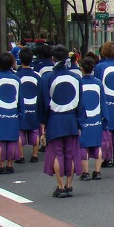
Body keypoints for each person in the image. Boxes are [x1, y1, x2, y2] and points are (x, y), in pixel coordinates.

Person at [39, 45, 85, 198]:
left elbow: (43, 103)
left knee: (57, 153)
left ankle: (60, 186)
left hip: (54, 119)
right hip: (71, 118)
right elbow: (80, 103)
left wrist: (43, 123)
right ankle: (69, 185)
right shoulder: (76, 78)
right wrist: (80, 122)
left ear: (53, 59)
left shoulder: (47, 78)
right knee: (71, 153)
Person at [78, 56, 107, 182]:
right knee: (97, 144)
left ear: (82, 69)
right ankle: (97, 171)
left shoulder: (79, 82)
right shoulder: (98, 83)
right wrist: (104, 118)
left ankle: (85, 172)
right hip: (97, 117)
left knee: (83, 145)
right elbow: (102, 102)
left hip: (84, 118)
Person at [15, 47, 41, 164]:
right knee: (35, 131)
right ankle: (35, 154)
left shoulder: (16, 75)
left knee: (20, 131)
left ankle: (20, 156)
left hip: (21, 107)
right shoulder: (37, 75)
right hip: (34, 106)